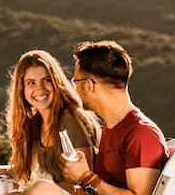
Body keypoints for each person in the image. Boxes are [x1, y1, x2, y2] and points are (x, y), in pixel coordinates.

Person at [0, 51, 102, 194]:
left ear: (56, 82)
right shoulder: (36, 122)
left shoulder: (71, 119)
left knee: (40, 187)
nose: (39, 89)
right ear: (22, 89)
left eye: (46, 80)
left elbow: (83, 184)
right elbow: (24, 170)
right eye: (31, 83)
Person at [60, 41, 169, 195]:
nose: (74, 88)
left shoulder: (141, 134)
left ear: (90, 85)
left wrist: (86, 177)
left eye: (76, 82)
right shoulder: (112, 127)